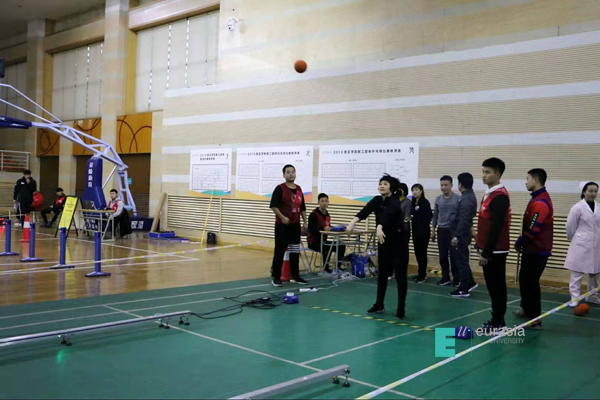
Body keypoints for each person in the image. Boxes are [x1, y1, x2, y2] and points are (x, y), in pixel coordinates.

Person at [347, 174, 407, 319]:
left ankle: (401, 307)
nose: (382, 186)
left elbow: (388, 214)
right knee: (382, 274)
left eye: (385, 184)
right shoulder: (377, 200)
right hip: (383, 241)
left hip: (399, 242)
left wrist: (379, 226)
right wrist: (352, 222)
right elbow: (365, 211)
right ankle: (379, 304)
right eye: (380, 184)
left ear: (391, 187)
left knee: (400, 275)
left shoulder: (395, 200)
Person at [512, 169, 553, 329]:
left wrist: (520, 241)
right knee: (524, 279)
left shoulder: (541, 202)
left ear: (536, 180)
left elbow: (533, 228)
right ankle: (527, 310)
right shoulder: (536, 198)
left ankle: (536, 319)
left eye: (527, 179)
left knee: (531, 283)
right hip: (530, 249)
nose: (526, 182)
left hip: (538, 250)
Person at [475, 158, 511, 333]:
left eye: (487, 172)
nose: (484, 175)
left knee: (496, 286)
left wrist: (486, 252)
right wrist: (478, 243)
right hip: (489, 249)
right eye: (483, 171)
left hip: (496, 251)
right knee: (492, 286)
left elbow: (496, 227)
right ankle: (496, 317)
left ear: (497, 175)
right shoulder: (489, 193)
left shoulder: (499, 197)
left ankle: (498, 321)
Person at [269, 164, 308, 287]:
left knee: (295, 251)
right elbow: (273, 206)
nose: (291, 174)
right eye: (288, 172)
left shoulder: (299, 189)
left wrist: (305, 221)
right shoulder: (280, 188)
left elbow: (302, 207)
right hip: (282, 226)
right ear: (284, 175)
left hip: (295, 226)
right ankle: (276, 277)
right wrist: (282, 217)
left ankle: (295, 276)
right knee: (279, 251)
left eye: (293, 172)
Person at [564, 182, 600, 307]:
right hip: (580, 243)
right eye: (590, 191)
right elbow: (570, 226)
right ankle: (575, 297)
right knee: (577, 272)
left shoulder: (599, 207)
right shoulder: (577, 207)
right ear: (584, 192)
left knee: (594, 272)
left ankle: (592, 296)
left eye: (595, 191)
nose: (593, 194)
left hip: (596, 243)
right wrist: (573, 238)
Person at [448, 173, 479, 297]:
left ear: (460, 184)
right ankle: (470, 282)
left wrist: (457, 235)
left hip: (461, 234)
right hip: (463, 233)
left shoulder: (466, 199)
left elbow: (464, 220)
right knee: (462, 259)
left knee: (461, 261)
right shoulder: (469, 196)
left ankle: (463, 288)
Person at [431, 176, 460, 286]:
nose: (443, 187)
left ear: (451, 185)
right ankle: (445, 277)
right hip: (441, 230)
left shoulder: (458, 199)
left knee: (454, 256)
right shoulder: (438, 199)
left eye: (446, 185)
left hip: (453, 231)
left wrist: (458, 233)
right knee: (442, 255)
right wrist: (433, 230)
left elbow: (461, 216)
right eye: (442, 185)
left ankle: (457, 278)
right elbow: (435, 216)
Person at [307, 193, 346, 273]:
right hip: (313, 242)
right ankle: (326, 269)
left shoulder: (327, 215)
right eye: (322, 201)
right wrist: (323, 229)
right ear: (318, 202)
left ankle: (338, 267)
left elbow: (328, 226)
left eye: (326, 201)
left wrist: (334, 228)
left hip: (323, 241)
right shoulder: (313, 215)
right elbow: (312, 229)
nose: (324, 203)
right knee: (327, 247)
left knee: (341, 245)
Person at [411, 184, 432, 283]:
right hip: (415, 231)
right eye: (413, 190)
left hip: (423, 232)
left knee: (422, 253)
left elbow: (429, 216)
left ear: (421, 191)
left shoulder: (425, 202)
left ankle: (422, 275)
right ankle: (420, 273)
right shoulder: (413, 202)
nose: (414, 192)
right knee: (417, 253)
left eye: (416, 190)